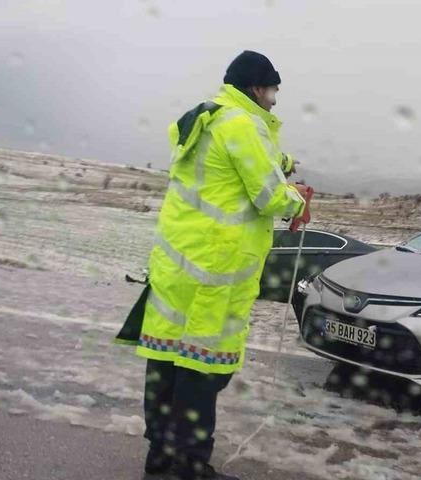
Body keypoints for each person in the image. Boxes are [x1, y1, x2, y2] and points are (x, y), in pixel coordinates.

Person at [137, 50, 309, 480]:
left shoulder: (208, 117)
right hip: (213, 271)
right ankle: (190, 466)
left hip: (178, 264)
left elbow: (232, 164)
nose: (274, 100)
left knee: (167, 361)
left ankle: (159, 458)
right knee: (202, 369)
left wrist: (283, 163)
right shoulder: (243, 123)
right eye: (272, 91)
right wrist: (298, 199)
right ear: (256, 88)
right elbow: (269, 194)